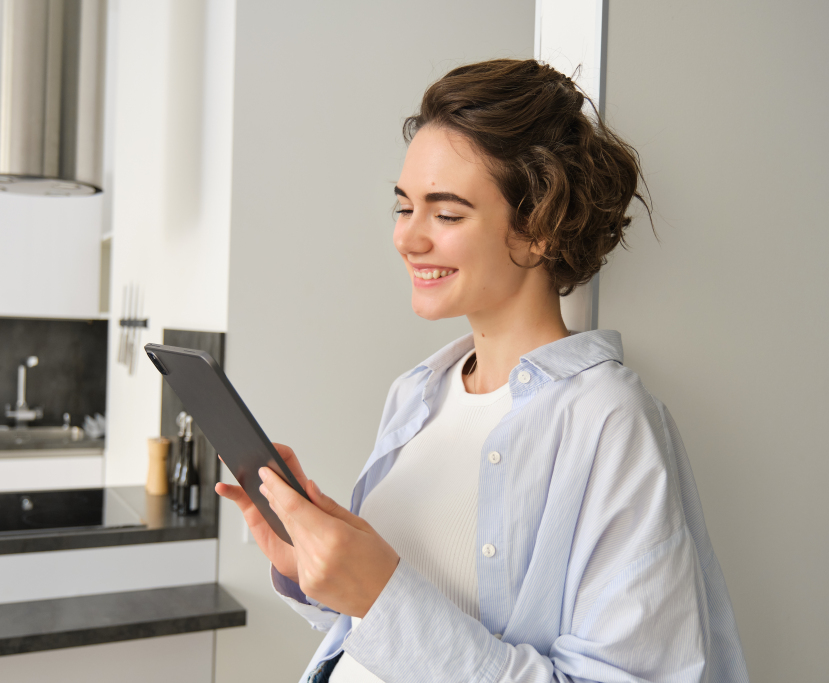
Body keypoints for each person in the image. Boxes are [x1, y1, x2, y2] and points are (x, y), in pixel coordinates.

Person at [215, 58, 749, 683]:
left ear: (538, 229)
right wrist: (309, 572)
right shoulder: (418, 394)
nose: (408, 239)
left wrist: (379, 594)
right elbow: (388, 638)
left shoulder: (608, 421)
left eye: (445, 214)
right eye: (403, 206)